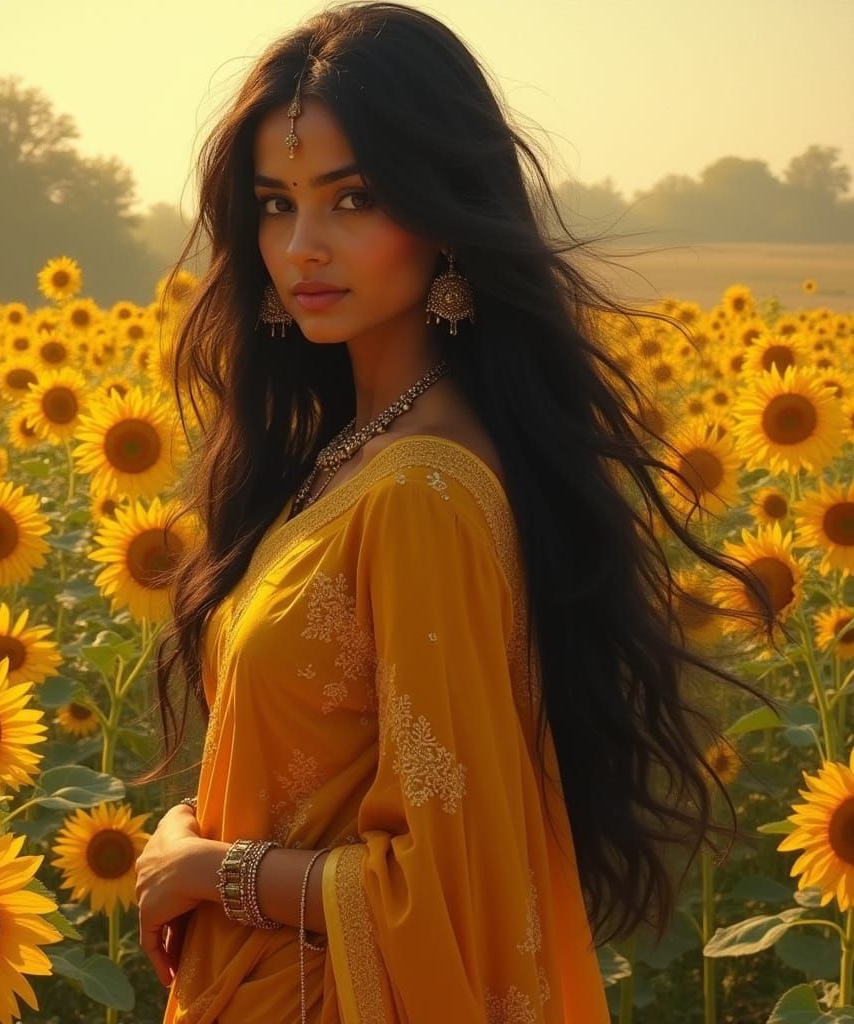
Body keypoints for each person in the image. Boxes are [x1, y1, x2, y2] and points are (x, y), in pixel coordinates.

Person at [131, 3, 778, 1022]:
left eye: (352, 199)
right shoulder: (346, 460)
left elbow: (438, 889)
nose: (302, 246)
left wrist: (211, 869)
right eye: (274, 203)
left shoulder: (420, 491)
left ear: (443, 213)